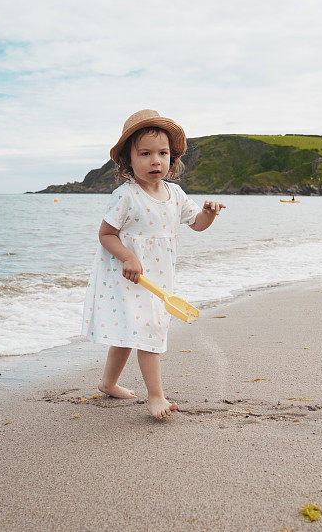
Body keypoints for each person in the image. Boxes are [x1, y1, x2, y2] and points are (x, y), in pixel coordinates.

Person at [81, 109, 225, 420]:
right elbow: (106, 234)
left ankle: (108, 382)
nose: (155, 160)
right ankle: (156, 396)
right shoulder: (126, 196)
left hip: (159, 278)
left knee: (131, 330)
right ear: (127, 160)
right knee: (148, 328)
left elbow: (196, 223)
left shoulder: (175, 194)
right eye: (145, 153)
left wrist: (209, 215)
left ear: (172, 159)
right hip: (129, 276)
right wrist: (129, 256)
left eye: (162, 153)